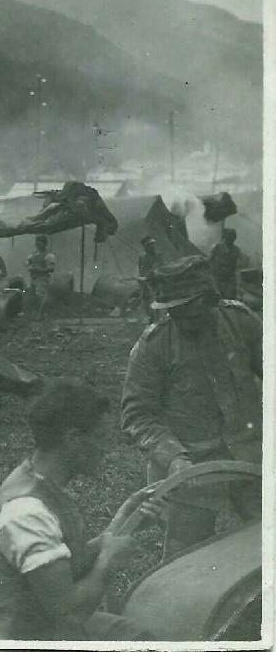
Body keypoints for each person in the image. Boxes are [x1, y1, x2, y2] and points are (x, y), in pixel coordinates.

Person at [0, 380, 161, 640]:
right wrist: (108, 562)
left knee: (138, 636)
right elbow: (69, 615)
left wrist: (120, 524)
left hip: (36, 623)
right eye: (99, 437)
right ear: (73, 439)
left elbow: (59, 568)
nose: (105, 449)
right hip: (11, 637)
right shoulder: (27, 512)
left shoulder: (39, 480)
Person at [121, 255, 262, 558]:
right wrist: (173, 458)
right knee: (184, 559)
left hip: (252, 459)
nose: (182, 320)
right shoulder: (153, 346)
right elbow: (138, 414)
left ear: (211, 299)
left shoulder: (241, 322)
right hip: (190, 470)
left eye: (190, 311)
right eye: (175, 312)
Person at [208, 228, 243, 300]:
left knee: (228, 300)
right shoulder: (216, 247)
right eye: (228, 237)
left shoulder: (236, 250)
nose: (230, 239)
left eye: (232, 237)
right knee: (215, 299)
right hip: (216, 279)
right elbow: (208, 262)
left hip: (228, 281)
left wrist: (238, 287)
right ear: (224, 237)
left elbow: (237, 269)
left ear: (234, 238)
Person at [26, 235, 56, 309]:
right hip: (34, 278)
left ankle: (41, 313)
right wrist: (29, 264)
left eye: (40, 243)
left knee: (40, 295)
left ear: (45, 244)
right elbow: (27, 262)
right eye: (37, 242)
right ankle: (34, 312)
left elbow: (51, 269)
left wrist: (39, 270)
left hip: (42, 278)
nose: (38, 244)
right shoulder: (34, 253)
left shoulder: (49, 255)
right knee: (33, 295)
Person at [137, 236, 159, 324]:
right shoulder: (142, 257)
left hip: (155, 281)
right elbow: (141, 269)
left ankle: (156, 319)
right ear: (146, 247)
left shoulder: (158, 255)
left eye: (153, 244)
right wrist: (141, 279)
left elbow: (158, 266)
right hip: (145, 282)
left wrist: (148, 276)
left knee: (155, 299)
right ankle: (150, 318)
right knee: (146, 300)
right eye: (150, 245)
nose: (153, 247)